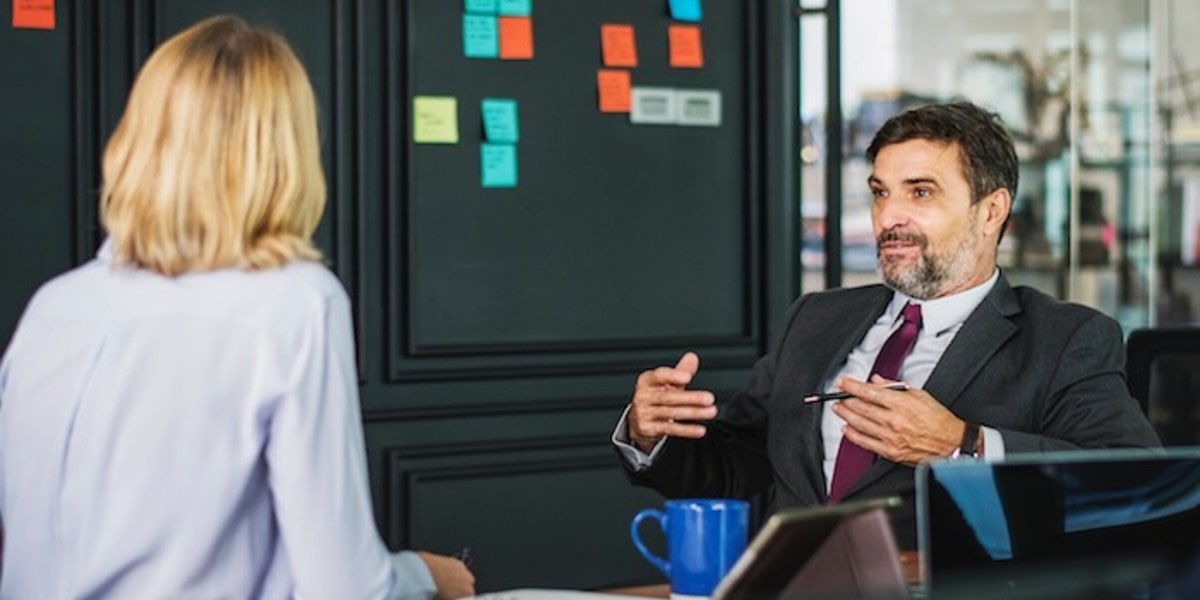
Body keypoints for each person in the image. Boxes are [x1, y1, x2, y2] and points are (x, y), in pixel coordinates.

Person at [0, 15, 473, 600]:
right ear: (288, 151)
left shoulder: (55, 306)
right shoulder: (294, 302)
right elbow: (346, 589)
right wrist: (427, 574)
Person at [612, 101, 1160, 550]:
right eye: (880, 192)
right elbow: (745, 469)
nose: (889, 216)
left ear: (991, 210)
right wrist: (651, 434)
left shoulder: (1066, 338)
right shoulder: (817, 317)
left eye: (920, 192)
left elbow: (1136, 485)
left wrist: (960, 445)